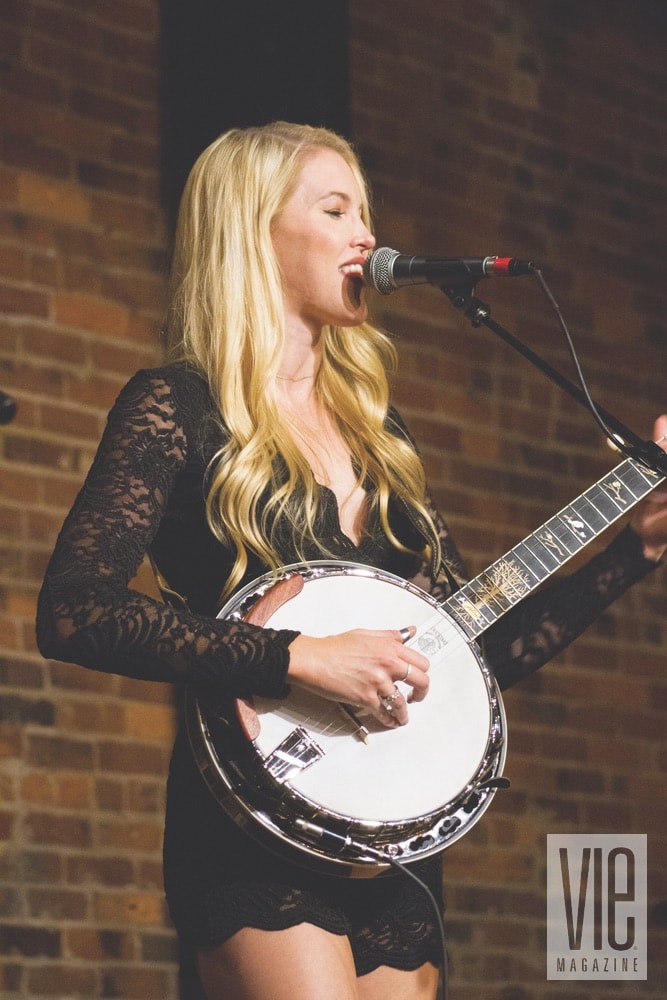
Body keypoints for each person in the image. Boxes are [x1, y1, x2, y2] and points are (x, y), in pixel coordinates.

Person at [36, 121, 667, 1000]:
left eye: (364, 210)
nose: (366, 235)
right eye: (335, 209)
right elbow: (75, 609)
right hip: (253, 820)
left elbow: (473, 652)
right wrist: (296, 658)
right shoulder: (175, 407)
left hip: (386, 834)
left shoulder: (382, 436)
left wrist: (630, 554)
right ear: (255, 231)